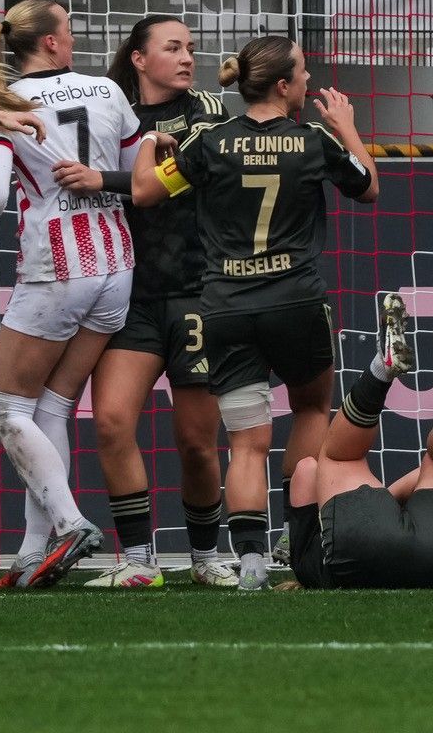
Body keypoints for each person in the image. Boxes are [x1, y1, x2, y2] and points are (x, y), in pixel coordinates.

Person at [132, 34, 380, 590]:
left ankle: (248, 561)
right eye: (305, 74)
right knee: (314, 407)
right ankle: (294, 538)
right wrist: (347, 127)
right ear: (285, 86)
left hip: (224, 307)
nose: (311, 82)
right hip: (295, 302)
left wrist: (153, 141)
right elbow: (367, 188)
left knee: (246, 442)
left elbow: (145, 192)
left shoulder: (210, 141)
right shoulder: (313, 139)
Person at [0, 0, 144, 588]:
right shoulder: (108, 92)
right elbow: (139, 173)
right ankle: (32, 550)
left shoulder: (6, 106)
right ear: (54, 43)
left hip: (56, 264)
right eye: (71, 28)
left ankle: (67, 523)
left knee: (8, 411)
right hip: (116, 261)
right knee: (55, 405)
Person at [53, 15, 236, 587]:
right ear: (138, 57)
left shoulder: (206, 109)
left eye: (191, 48)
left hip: (195, 293)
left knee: (197, 444)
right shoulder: (111, 112)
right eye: (174, 48)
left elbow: (159, 181)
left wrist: (101, 178)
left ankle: (207, 556)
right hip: (130, 293)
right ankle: (137, 561)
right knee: (110, 423)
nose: (188, 58)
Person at [284, 294, 433, 591]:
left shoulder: (309, 572)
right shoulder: (314, 559)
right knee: (340, 458)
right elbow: (312, 470)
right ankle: (392, 375)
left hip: (388, 550)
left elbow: (308, 469)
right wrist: (385, 499)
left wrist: (384, 502)